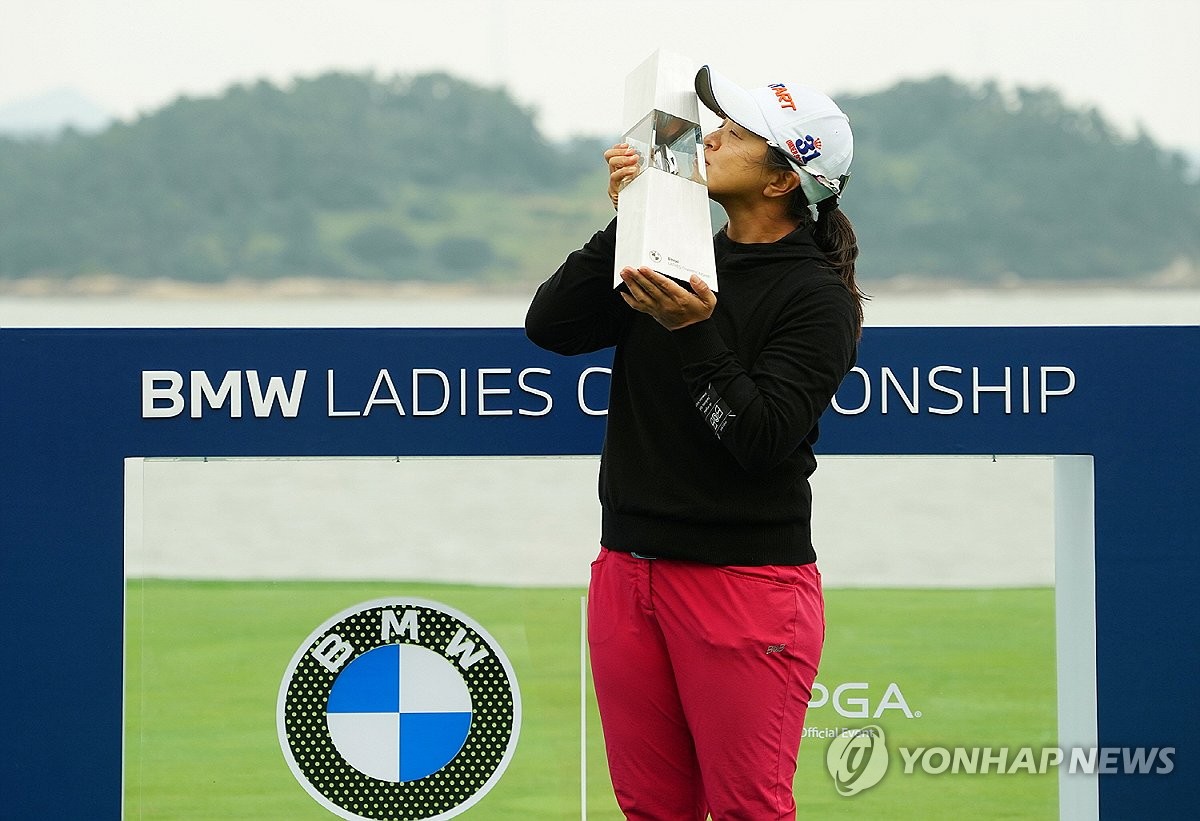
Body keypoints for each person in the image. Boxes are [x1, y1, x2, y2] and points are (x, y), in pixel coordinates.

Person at [525, 64, 866, 820]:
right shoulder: (674, 249)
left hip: (744, 583)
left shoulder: (816, 297)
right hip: (627, 569)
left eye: (738, 134)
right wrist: (631, 214)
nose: (711, 136)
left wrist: (693, 330)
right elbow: (551, 327)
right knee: (651, 807)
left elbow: (760, 438)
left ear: (783, 181)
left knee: (748, 808)